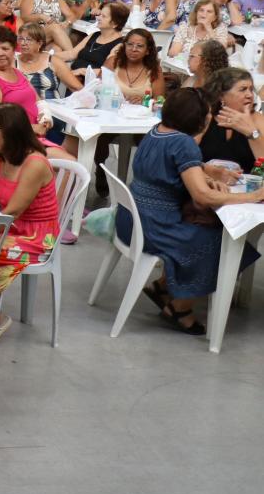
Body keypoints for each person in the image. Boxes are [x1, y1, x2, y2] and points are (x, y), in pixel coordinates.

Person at [121, 88, 264, 335]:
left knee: (211, 230)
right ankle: (179, 307)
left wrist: (206, 175)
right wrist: (252, 196)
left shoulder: (156, 132)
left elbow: (170, 172)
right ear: (196, 118)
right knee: (226, 243)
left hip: (131, 220)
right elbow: (202, 196)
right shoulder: (184, 143)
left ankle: (164, 288)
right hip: (156, 227)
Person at [0, 103, 60, 342]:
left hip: (36, 236)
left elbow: (13, 210)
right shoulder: (2, 157)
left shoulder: (33, 163)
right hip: (11, 226)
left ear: (11, 131)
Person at [198, 67, 264, 173]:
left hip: (247, 186)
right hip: (206, 183)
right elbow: (185, 158)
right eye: (243, 89)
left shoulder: (258, 120)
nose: (250, 95)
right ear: (221, 96)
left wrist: (251, 133)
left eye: (251, 90)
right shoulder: (206, 117)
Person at [0, 26, 39, 126]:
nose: (0, 53)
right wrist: (32, 128)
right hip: (16, 138)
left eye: (5, 49)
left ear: (13, 50)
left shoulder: (16, 72)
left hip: (38, 130)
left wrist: (46, 115)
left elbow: (37, 100)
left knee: (72, 140)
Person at [103, 29, 165, 105]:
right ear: (124, 45)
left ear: (147, 50)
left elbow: (160, 102)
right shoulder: (112, 62)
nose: (133, 49)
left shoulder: (154, 69)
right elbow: (96, 90)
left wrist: (145, 101)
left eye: (139, 46)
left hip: (141, 115)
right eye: (130, 44)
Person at [61, 0, 126, 71]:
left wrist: (81, 71)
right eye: (100, 14)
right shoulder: (94, 35)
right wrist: (49, 55)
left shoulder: (119, 45)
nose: (98, 18)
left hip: (87, 79)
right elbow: (71, 54)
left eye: (103, 16)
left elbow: (106, 71)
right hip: (72, 72)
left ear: (115, 24)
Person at [168, 0, 232, 58]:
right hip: (182, 65)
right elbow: (173, 53)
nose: (204, 14)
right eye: (201, 10)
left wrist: (208, 28)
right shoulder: (185, 27)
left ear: (215, 17)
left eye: (209, 11)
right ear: (196, 13)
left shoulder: (221, 29)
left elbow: (219, 54)